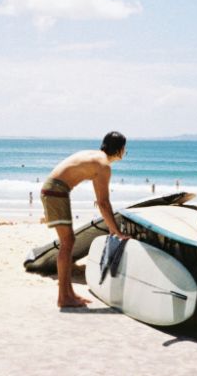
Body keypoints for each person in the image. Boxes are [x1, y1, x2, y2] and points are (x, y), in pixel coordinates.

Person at [40, 131, 129, 308]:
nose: (125, 153)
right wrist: (117, 231)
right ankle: (63, 298)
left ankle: (68, 294)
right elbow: (104, 203)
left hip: (53, 190)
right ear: (119, 150)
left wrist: (111, 226)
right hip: (56, 192)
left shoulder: (96, 157)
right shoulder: (103, 165)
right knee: (67, 242)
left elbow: (100, 200)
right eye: (125, 149)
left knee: (68, 242)